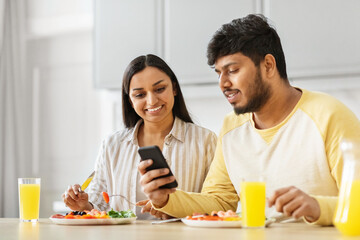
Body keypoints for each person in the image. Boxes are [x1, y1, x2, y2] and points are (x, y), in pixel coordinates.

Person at [138, 14, 360, 225]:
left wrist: (318, 207)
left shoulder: (329, 116)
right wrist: (166, 200)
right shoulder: (232, 127)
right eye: (218, 74)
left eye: (232, 70)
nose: (223, 83)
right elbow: (220, 201)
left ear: (268, 65)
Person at [62, 54, 217, 219]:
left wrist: (171, 205)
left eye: (159, 89)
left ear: (174, 88)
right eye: (140, 95)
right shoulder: (112, 145)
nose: (151, 101)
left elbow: (216, 204)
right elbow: (99, 206)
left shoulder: (205, 141)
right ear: (130, 100)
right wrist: (84, 206)